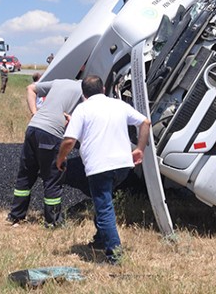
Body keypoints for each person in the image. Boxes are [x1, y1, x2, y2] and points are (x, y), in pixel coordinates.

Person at [57, 75, 151, 265]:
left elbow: (69, 140)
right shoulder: (118, 105)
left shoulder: (82, 109)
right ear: (104, 89)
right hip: (123, 166)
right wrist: (140, 148)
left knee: (104, 206)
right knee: (104, 200)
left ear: (83, 94)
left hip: (99, 166)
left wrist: (60, 159)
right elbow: (145, 123)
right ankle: (100, 239)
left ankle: (114, 255)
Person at [6, 78, 83, 228]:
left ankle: (16, 216)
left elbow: (30, 88)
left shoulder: (59, 82)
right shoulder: (83, 91)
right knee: (53, 176)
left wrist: (35, 113)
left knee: (26, 174)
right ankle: (52, 221)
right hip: (51, 134)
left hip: (33, 128)